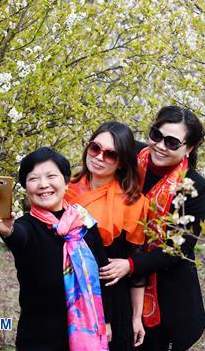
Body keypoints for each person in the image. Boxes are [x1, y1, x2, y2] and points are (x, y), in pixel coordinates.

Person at [100, 106, 205, 351]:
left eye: (172, 142)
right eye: (156, 135)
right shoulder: (132, 154)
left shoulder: (194, 188)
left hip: (165, 291)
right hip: (118, 284)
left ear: (188, 148)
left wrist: (130, 265)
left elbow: (177, 250)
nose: (160, 146)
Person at [0, 147, 109, 351]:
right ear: (26, 187)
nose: (43, 185)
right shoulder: (27, 226)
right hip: (40, 338)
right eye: (33, 179)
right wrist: (7, 230)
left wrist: (108, 320)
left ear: (66, 181)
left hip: (89, 331)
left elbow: (103, 275)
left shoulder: (85, 223)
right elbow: (18, 237)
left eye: (51, 176)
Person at [65, 122, 149, 350]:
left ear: (121, 162)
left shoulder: (133, 202)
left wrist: (136, 317)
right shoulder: (65, 190)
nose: (99, 157)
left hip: (112, 297)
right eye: (95, 148)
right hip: (68, 291)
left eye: (110, 154)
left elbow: (136, 269)